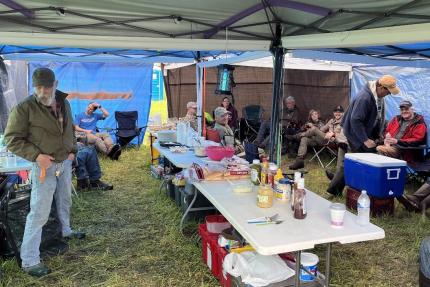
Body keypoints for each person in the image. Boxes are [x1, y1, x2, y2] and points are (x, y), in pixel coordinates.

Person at [4, 68, 85, 277]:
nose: (42, 91)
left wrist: (72, 151)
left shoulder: (63, 101)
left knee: (65, 200)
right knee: (39, 212)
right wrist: (37, 156)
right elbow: (12, 139)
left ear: (55, 84)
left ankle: (65, 230)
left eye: (46, 87)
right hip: (44, 167)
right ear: (34, 86)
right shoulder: (24, 108)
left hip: (64, 163)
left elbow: (69, 128)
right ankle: (30, 260)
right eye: (38, 87)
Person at [327, 74, 400, 196]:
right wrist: (365, 140)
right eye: (388, 92)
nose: (389, 94)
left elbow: (374, 117)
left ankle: (339, 185)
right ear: (381, 87)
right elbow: (355, 120)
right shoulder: (365, 97)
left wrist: (377, 134)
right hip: (355, 134)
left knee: (353, 161)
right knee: (354, 162)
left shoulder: (375, 95)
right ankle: (336, 188)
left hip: (360, 132)